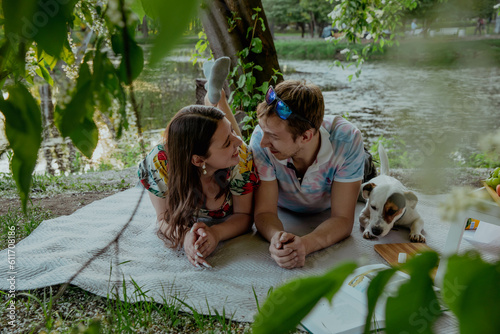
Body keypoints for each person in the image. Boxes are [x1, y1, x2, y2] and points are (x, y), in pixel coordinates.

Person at [138, 58, 259, 268]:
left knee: (239, 145)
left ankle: (217, 97)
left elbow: (244, 216)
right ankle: (216, 95)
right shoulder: (159, 164)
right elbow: (163, 219)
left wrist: (216, 233)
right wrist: (185, 236)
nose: (239, 140)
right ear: (198, 160)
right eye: (226, 142)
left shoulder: (241, 158)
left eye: (232, 131)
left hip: (217, 159)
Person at [249, 80, 365, 269]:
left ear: (305, 136)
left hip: (331, 197)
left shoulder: (348, 139)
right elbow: (264, 212)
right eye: (263, 130)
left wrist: (305, 244)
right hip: (285, 208)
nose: (263, 142)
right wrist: (277, 239)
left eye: (274, 136)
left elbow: (343, 219)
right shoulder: (260, 141)